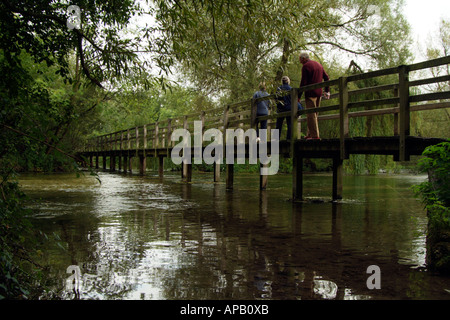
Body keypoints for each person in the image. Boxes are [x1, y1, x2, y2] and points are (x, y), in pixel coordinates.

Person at [299, 52, 330, 140]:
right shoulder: (318, 65)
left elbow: (303, 82)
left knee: (311, 115)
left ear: (304, 58)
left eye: (300, 59)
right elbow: (326, 77)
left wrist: (298, 96)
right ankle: (309, 134)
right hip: (319, 93)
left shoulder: (306, 66)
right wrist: (327, 91)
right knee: (314, 114)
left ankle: (315, 136)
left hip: (310, 94)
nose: (300, 61)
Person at [275, 76, 292, 140]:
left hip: (281, 108)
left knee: (278, 124)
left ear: (282, 81)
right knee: (289, 124)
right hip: (289, 108)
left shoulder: (279, 89)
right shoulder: (291, 89)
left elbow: (276, 98)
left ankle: (276, 139)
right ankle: (289, 139)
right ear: (288, 81)